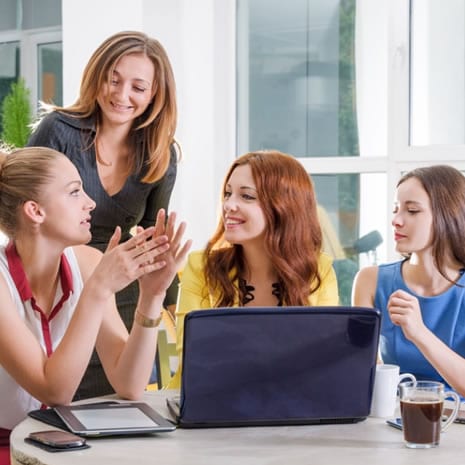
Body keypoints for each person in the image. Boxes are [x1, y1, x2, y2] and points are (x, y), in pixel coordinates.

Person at [27, 30, 180, 398]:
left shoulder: (160, 154)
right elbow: (24, 215)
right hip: (56, 285)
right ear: (97, 75)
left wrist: (166, 309)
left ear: (155, 94)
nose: (121, 94)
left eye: (138, 87)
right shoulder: (59, 131)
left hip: (123, 293)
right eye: (113, 79)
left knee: (119, 404)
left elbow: (151, 236)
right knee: (56, 401)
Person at [0, 147, 190, 442]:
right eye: (75, 192)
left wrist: (152, 296)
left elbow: (129, 384)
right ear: (35, 211)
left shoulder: (87, 262)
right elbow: (55, 391)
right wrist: (97, 290)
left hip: (50, 440)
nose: (90, 203)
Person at [168, 150, 339, 388]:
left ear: (284, 206)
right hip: (208, 404)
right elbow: (194, 357)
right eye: (228, 194)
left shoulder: (319, 270)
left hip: (290, 408)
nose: (229, 205)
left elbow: (326, 358)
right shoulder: (200, 266)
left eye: (246, 196)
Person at [352, 164, 465, 397]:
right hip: (394, 417)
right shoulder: (369, 281)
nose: (396, 220)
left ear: (448, 215)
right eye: (396, 209)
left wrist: (418, 332)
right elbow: (360, 370)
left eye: (412, 211)